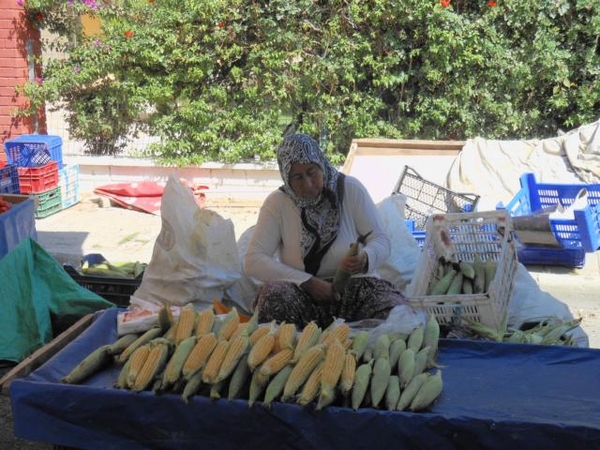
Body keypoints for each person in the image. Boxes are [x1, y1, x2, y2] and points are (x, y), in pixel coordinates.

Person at [244, 133, 407, 329]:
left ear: (321, 163)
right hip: (303, 294)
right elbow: (253, 261)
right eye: (297, 177)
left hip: (356, 290)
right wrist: (306, 282)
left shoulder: (349, 189)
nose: (308, 184)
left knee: (396, 314)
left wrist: (366, 257)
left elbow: (381, 240)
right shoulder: (277, 203)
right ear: (286, 177)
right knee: (273, 298)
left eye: (312, 172)